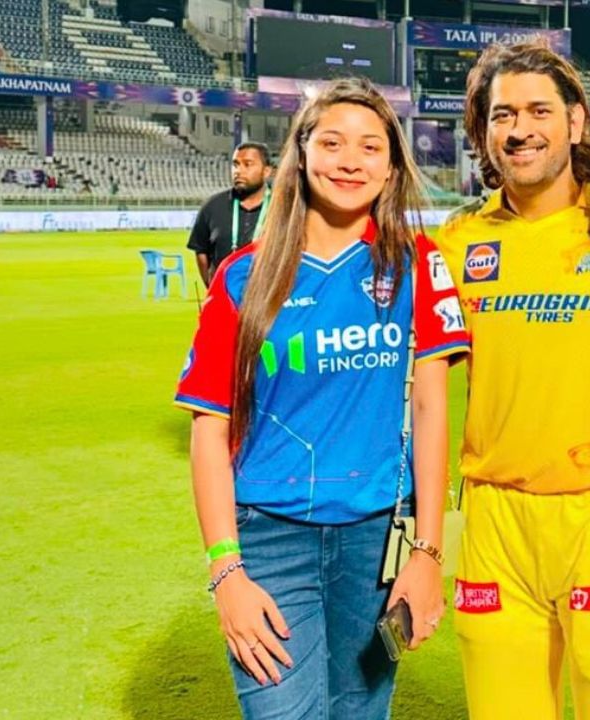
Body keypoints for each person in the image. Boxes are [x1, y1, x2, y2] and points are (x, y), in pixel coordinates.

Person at [173, 77, 470, 720]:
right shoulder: (243, 276)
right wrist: (226, 571)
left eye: (370, 146)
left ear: (392, 167)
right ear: (301, 154)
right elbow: (208, 429)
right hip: (268, 538)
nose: (350, 160)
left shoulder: (418, 264)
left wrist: (427, 553)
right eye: (332, 142)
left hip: (375, 540)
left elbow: (430, 412)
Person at [433, 41, 590, 720]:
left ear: (576, 120)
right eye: (502, 114)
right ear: (483, 131)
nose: (520, 130)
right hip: (494, 521)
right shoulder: (455, 243)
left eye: (539, 110)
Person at [187, 142, 274, 286]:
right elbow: (201, 251)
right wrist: (213, 287)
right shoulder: (213, 206)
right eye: (235, 164)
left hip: (270, 295)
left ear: (266, 171)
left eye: (247, 164)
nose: (238, 171)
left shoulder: (284, 208)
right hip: (224, 295)